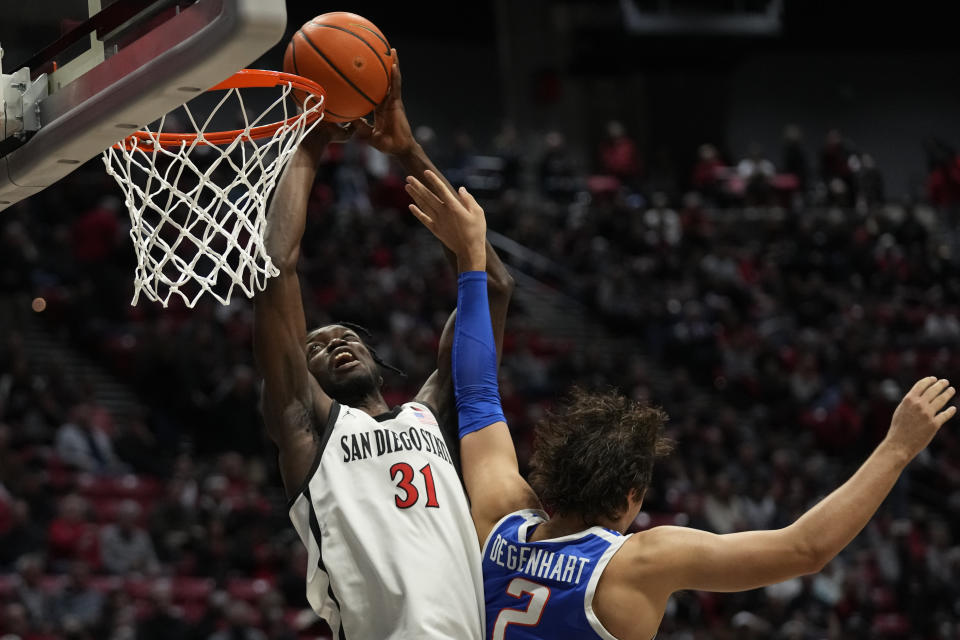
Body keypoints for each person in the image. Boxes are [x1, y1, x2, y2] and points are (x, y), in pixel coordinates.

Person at [404, 170, 957, 640]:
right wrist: (897, 448)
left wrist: (472, 260)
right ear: (630, 496)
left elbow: (474, 391)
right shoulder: (636, 563)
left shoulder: (500, 519)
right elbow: (804, 550)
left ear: (548, 470)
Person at [253, 50, 514, 639]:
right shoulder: (308, 426)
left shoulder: (430, 414)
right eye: (316, 345)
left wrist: (407, 150)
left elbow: (493, 287)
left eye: (345, 335)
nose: (337, 339)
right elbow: (275, 267)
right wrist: (313, 134)